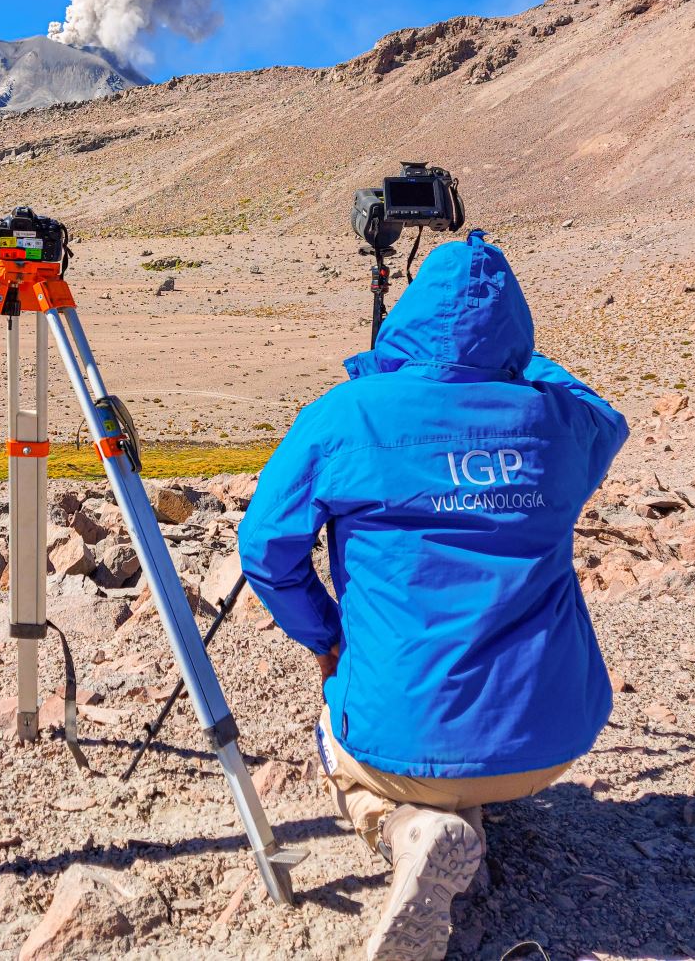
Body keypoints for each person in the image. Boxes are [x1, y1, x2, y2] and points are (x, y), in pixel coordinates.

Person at [238, 230, 629, 961]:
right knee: (455, 727)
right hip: (551, 740)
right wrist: (509, 361)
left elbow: (265, 550)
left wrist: (326, 636)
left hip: (396, 738)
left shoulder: (346, 415)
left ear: (406, 317)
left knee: (341, 721)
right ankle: (464, 818)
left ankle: (405, 829)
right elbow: (600, 409)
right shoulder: (558, 422)